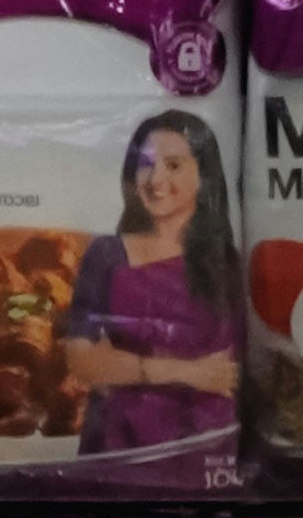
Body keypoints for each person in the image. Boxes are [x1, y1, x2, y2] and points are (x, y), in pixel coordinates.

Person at [65, 110, 243, 474]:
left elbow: (229, 373)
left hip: (203, 450)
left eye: (173, 165)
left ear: (204, 175)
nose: (155, 179)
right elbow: (81, 361)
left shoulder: (224, 261)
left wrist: (123, 366)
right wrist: (187, 372)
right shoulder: (106, 253)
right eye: (145, 164)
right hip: (116, 450)